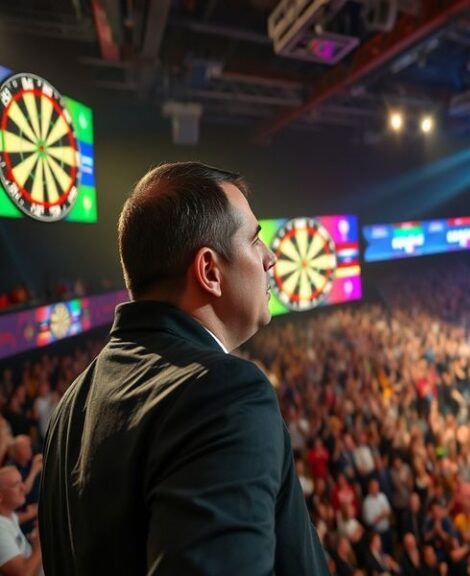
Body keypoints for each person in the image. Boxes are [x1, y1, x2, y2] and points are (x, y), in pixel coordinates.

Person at [39, 162, 328, 575]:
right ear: (210, 271)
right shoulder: (222, 393)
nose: (271, 257)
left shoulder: (70, 407)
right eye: (255, 239)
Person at [0, 466, 42, 576]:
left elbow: (17, 518)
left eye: (21, 482)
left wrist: (32, 513)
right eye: (16, 484)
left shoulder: (9, 515)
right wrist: (39, 545)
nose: (23, 487)